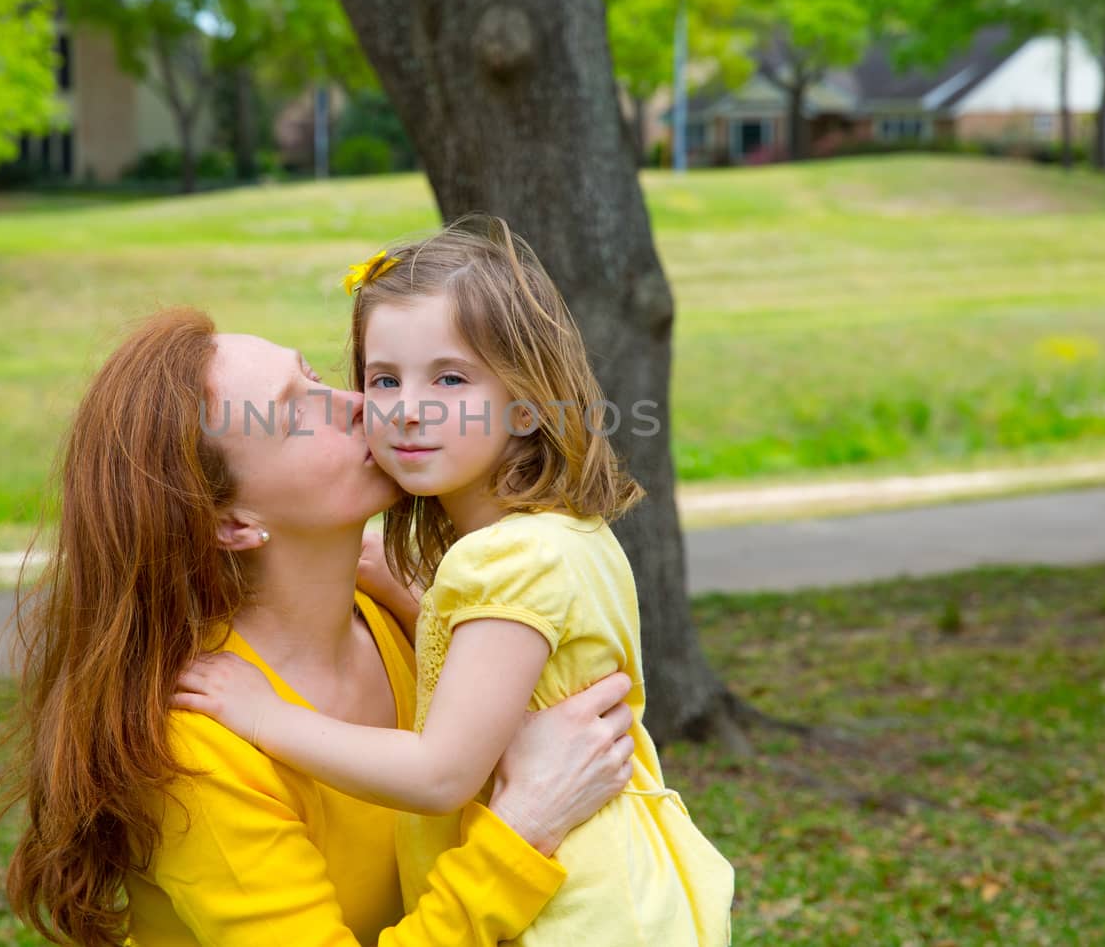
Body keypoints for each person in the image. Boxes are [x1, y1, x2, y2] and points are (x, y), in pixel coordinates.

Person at [0, 305, 640, 947]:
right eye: (295, 412)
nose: (361, 405)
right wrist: (526, 825)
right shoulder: (200, 745)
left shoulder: (401, 615)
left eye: (315, 375)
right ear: (231, 524)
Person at [177, 219, 735, 945]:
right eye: (383, 379)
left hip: (572, 914)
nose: (404, 407)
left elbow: (441, 772)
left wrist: (267, 717)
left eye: (449, 378)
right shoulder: (561, 536)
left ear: (528, 403)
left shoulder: (499, 562)